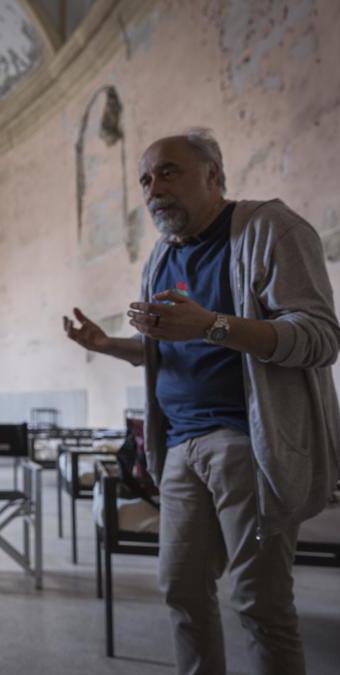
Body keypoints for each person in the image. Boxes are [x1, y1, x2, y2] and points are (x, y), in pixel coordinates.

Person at [63, 128, 340, 675]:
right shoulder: (160, 258)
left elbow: (321, 338)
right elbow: (167, 351)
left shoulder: (269, 229)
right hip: (179, 447)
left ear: (213, 175)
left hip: (248, 444)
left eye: (168, 172)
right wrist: (108, 345)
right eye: (145, 179)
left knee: (261, 605)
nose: (153, 188)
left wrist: (212, 325)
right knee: (181, 593)